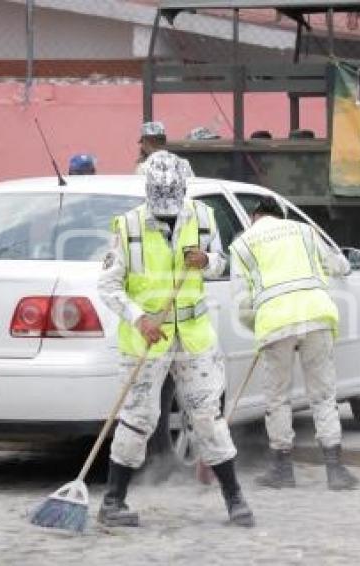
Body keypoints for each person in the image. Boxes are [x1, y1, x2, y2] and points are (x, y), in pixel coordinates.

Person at [97, 151, 254, 527]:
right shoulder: (128, 227)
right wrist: (139, 318)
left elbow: (222, 261)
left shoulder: (203, 217)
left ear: (184, 187)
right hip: (146, 338)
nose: (166, 206)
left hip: (194, 335)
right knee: (137, 419)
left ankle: (234, 499)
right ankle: (112, 502)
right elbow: (108, 285)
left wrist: (207, 261)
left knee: (207, 417)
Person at [230, 195, 360, 491]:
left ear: (254, 216)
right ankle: (336, 470)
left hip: (275, 324)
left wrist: (258, 328)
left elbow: (242, 301)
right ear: (280, 215)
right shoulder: (304, 231)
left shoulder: (242, 245)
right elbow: (339, 264)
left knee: (278, 397)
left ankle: (282, 469)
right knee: (323, 395)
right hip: (316, 316)